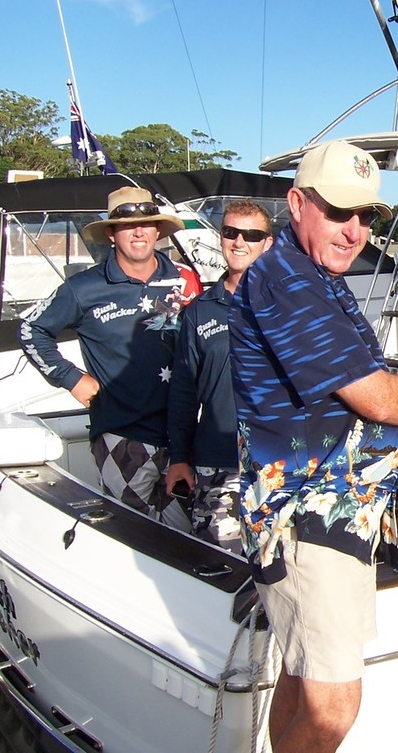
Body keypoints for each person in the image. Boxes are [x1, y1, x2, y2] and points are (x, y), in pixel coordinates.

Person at [228, 139, 398, 753]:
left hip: (334, 515)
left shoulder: (317, 277)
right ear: (297, 204)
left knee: (299, 676)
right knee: (335, 706)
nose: (354, 232)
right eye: (337, 213)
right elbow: (376, 399)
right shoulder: (288, 282)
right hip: (307, 517)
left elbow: (366, 381)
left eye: (365, 217)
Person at [19, 185, 201, 529]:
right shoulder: (84, 287)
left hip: (187, 435)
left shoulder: (185, 278)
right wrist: (70, 378)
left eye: (147, 223)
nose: (138, 231)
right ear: (111, 234)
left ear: (158, 230)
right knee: (135, 536)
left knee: (191, 540)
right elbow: (31, 330)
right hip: (123, 435)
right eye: (126, 225)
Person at [166, 200, 274, 551]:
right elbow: (184, 390)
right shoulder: (199, 310)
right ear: (221, 237)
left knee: (282, 574)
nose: (239, 242)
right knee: (220, 566)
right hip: (216, 462)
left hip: (277, 463)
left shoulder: (288, 305)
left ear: (267, 244)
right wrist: (179, 457)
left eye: (251, 235)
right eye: (230, 232)